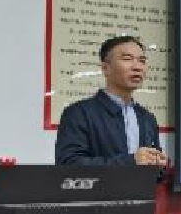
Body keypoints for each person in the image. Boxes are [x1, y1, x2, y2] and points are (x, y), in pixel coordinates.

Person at [55, 35, 169, 167]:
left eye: (142, 61)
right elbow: (68, 164)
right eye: (127, 59)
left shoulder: (147, 118)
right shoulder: (78, 113)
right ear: (105, 68)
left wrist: (159, 165)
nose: (137, 67)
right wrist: (131, 161)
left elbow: (153, 171)